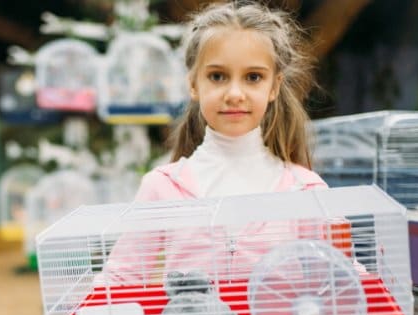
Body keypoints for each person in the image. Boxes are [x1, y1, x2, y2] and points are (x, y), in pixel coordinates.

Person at [100, 2, 330, 285]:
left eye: (253, 77)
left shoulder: (305, 191)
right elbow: (120, 279)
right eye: (217, 76)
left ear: (274, 87)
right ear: (194, 84)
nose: (234, 93)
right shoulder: (161, 187)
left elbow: (339, 279)